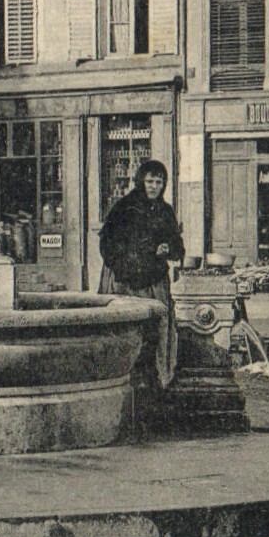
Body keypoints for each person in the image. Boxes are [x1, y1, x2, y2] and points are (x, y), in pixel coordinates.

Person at [98, 159, 184, 395]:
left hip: (154, 283)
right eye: (150, 181)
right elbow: (107, 244)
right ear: (141, 182)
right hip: (126, 282)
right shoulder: (124, 207)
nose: (154, 186)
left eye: (159, 182)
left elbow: (178, 246)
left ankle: (158, 382)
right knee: (127, 334)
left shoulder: (165, 211)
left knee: (157, 333)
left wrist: (169, 248)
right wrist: (129, 262)